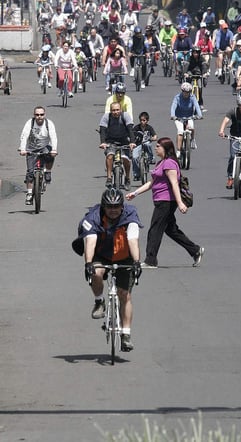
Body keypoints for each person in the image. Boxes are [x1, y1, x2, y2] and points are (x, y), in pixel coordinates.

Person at [74, 188, 142, 352]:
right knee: (96, 272)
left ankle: (126, 335)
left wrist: (137, 262)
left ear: (122, 206)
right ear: (103, 206)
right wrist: (88, 263)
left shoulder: (130, 215)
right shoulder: (94, 217)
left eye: (116, 207)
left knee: (124, 294)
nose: (113, 210)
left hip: (124, 255)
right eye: (109, 207)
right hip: (101, 253)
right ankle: (99, 301)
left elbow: (133, 240)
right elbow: (90, 241)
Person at [126, 137, 205, 269]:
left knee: (155, 229)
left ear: (166, 149)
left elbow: (174, 183)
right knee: (171, 230)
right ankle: (195, 250)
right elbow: (152, 183)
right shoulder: (161, 163)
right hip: (160, 201)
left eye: (158, 146)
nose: (155, 148)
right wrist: (135, 193)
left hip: (167, 201)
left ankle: (151, 260)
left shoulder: (169, 163)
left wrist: (180, 203)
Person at [19, 106, 58, 205]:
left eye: (41, 114)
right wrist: (22, 149)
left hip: (45, 147)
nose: (39, 117)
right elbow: (24, 136)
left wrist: (54, 149)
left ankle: (48, 171)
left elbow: (53, 137)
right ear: (34, 115)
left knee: (51, 155)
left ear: (44, 115)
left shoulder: (49, 124)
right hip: (31, 148)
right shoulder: (30, 123)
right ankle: (29, 193)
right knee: (30, 173)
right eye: (37, 115)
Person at [99, 102, 136, 190]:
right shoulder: (106, 117)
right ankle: (109, 177)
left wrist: (132, 142)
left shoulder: (125, 116)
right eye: (113, 110)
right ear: (110, 111)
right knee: (110, 156)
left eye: (117, 110)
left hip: (124, 141)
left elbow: (130, 129)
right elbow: (103, 130)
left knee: (126, 159)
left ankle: (127, 178)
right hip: (111, 141)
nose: (115, 112)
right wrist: (103, 142)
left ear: (121, 110)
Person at [170, 82, 203, 156]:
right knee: (180, 131)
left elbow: (197, 106)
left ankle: (192, 140)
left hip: (189, 117)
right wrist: (173, 115)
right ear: (182, 91)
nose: (186, 94)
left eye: (188, 92)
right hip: (179, 117)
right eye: (185, 92)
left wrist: (199, 115)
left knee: (191, 127)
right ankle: (178, 151)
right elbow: (173, 107)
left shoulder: (192, 97)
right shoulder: (177, 97)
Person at [132, 112, 157, 181]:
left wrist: (153, 138)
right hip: (138, 144)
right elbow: (132, 135)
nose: (142, 122)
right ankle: (136, 174)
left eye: (144, 120)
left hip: (146, 142)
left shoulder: (149, 128)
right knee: (134, 157)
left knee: (147, 144)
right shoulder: (136, 128)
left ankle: (150, 158)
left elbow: (155, 136)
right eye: (141, 120)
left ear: (147, 121)